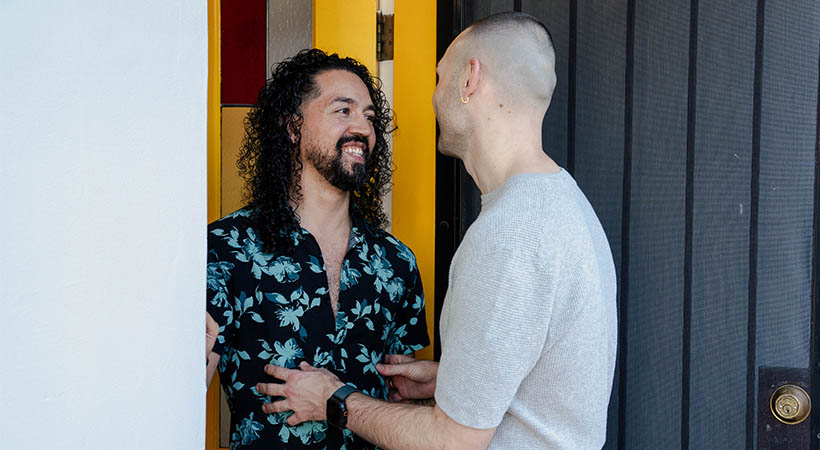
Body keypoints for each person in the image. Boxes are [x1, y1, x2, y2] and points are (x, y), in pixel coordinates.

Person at [256, 12, 618, 450]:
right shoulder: (561, 205)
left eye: (439, 76)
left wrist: (333, 399)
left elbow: (452, 443)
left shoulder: (511, 234)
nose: (432, 96)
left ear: (469, 79)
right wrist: (452, 379)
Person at [206, 49, 429, 450]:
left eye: (370, 116)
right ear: (294, 127)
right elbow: (179, 388)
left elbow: (403, 398)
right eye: (343, 111)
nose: (362, 126)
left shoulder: (397, 263)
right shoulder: (226, 249)